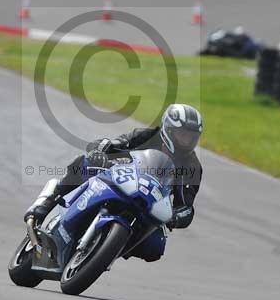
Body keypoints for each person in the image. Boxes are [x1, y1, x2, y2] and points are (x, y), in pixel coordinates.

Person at [24, 103, 204, 262]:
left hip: (148, 204)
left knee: (156, 246)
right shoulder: (147, 136)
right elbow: (116, 144)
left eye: (191, 136)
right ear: (169, 130)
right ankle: (46, 203)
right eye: (183, 135)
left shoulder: (193, 166)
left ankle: (106, 251)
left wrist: (175, 217)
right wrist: (101, 149)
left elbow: (186, 207)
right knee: (84, 163)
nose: (187, 141)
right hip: (123, 180)